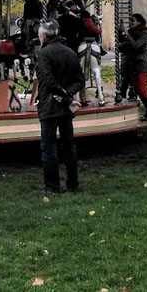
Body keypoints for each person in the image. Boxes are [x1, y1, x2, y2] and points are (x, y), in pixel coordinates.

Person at [35, 19, 84, 193]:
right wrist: (68, 96)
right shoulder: (70, 52)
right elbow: (80, 80)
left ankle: (52, 186)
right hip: (65, 108)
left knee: (49, 146)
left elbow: (48, 82)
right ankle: (73, 184)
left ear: (43, 36)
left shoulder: (44, 54)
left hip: (49, 106)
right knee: (69, 145)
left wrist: (64, 97)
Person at [117, 13, 147, 120]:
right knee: (138, 88)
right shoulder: (131, 33)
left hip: (141, 63)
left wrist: (127, 35)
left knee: (142, 88)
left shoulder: (144, 32)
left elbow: (136, 45)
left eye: (132, 21)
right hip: (132, 64)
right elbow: (125, 45)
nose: (130, 23)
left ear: (139, 22)